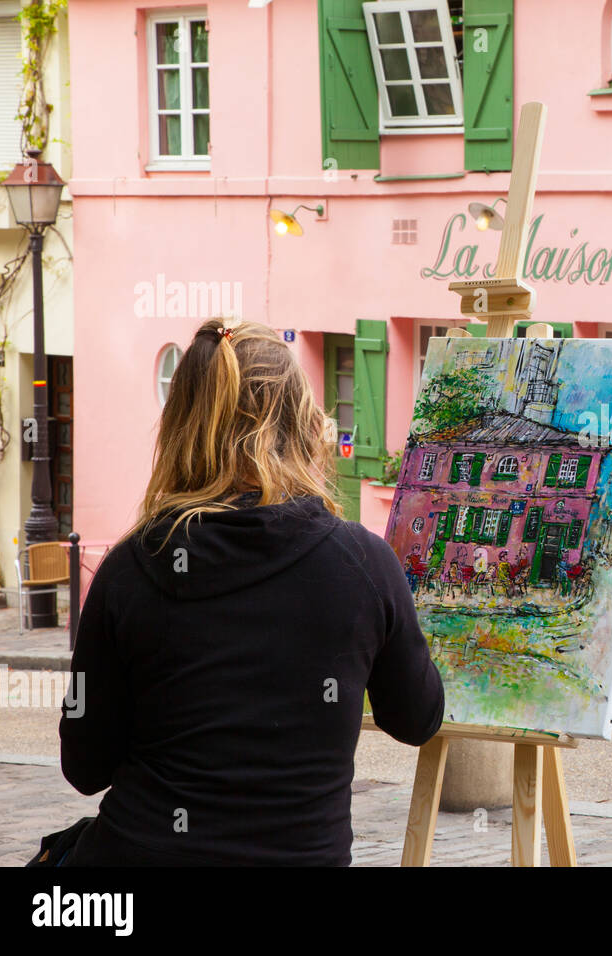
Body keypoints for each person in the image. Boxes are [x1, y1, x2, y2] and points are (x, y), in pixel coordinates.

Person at [58, 318, 444, 865]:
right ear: (304, 426)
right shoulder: (364, 564)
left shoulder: (130, 568)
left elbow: (85, 767)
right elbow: (417, 719)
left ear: (182, 428)